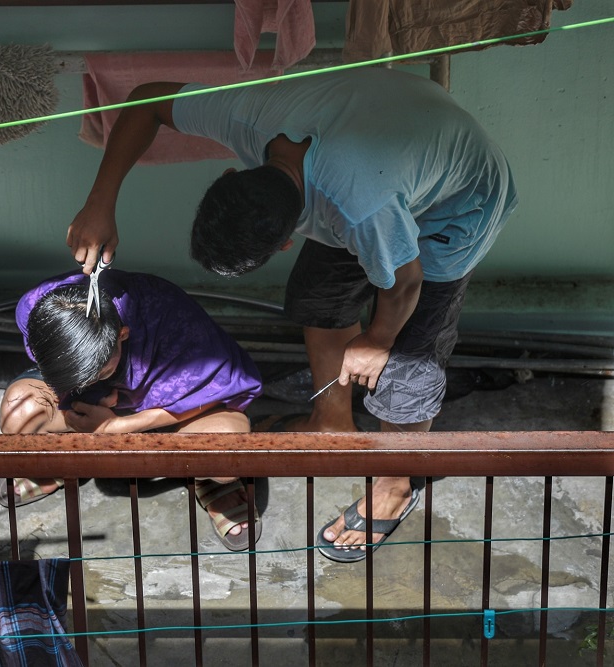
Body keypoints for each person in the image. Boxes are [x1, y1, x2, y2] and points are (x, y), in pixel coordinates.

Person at [65, 67, 517, 562]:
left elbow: (406, 281)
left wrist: (379, 337)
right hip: (389, 152)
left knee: (410, 358)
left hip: (458, 198)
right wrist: (100, 201)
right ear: (230, 177)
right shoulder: (244, 116)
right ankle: (333, 422)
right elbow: (148, 98)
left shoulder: (361, 210)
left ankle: (394, 484)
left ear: (285, 239)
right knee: (318, 298)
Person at [0, 268, 264, 551]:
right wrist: (87, 394)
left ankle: (209, 480)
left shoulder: (173, 321)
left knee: (224, 460)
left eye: (99, 371)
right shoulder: (34, 308)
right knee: (20, 415)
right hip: (101, 403)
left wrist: (120, 426)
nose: (88, 380)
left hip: (183, 408)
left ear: (122, 335)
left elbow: (220, 386)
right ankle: (70, 456)